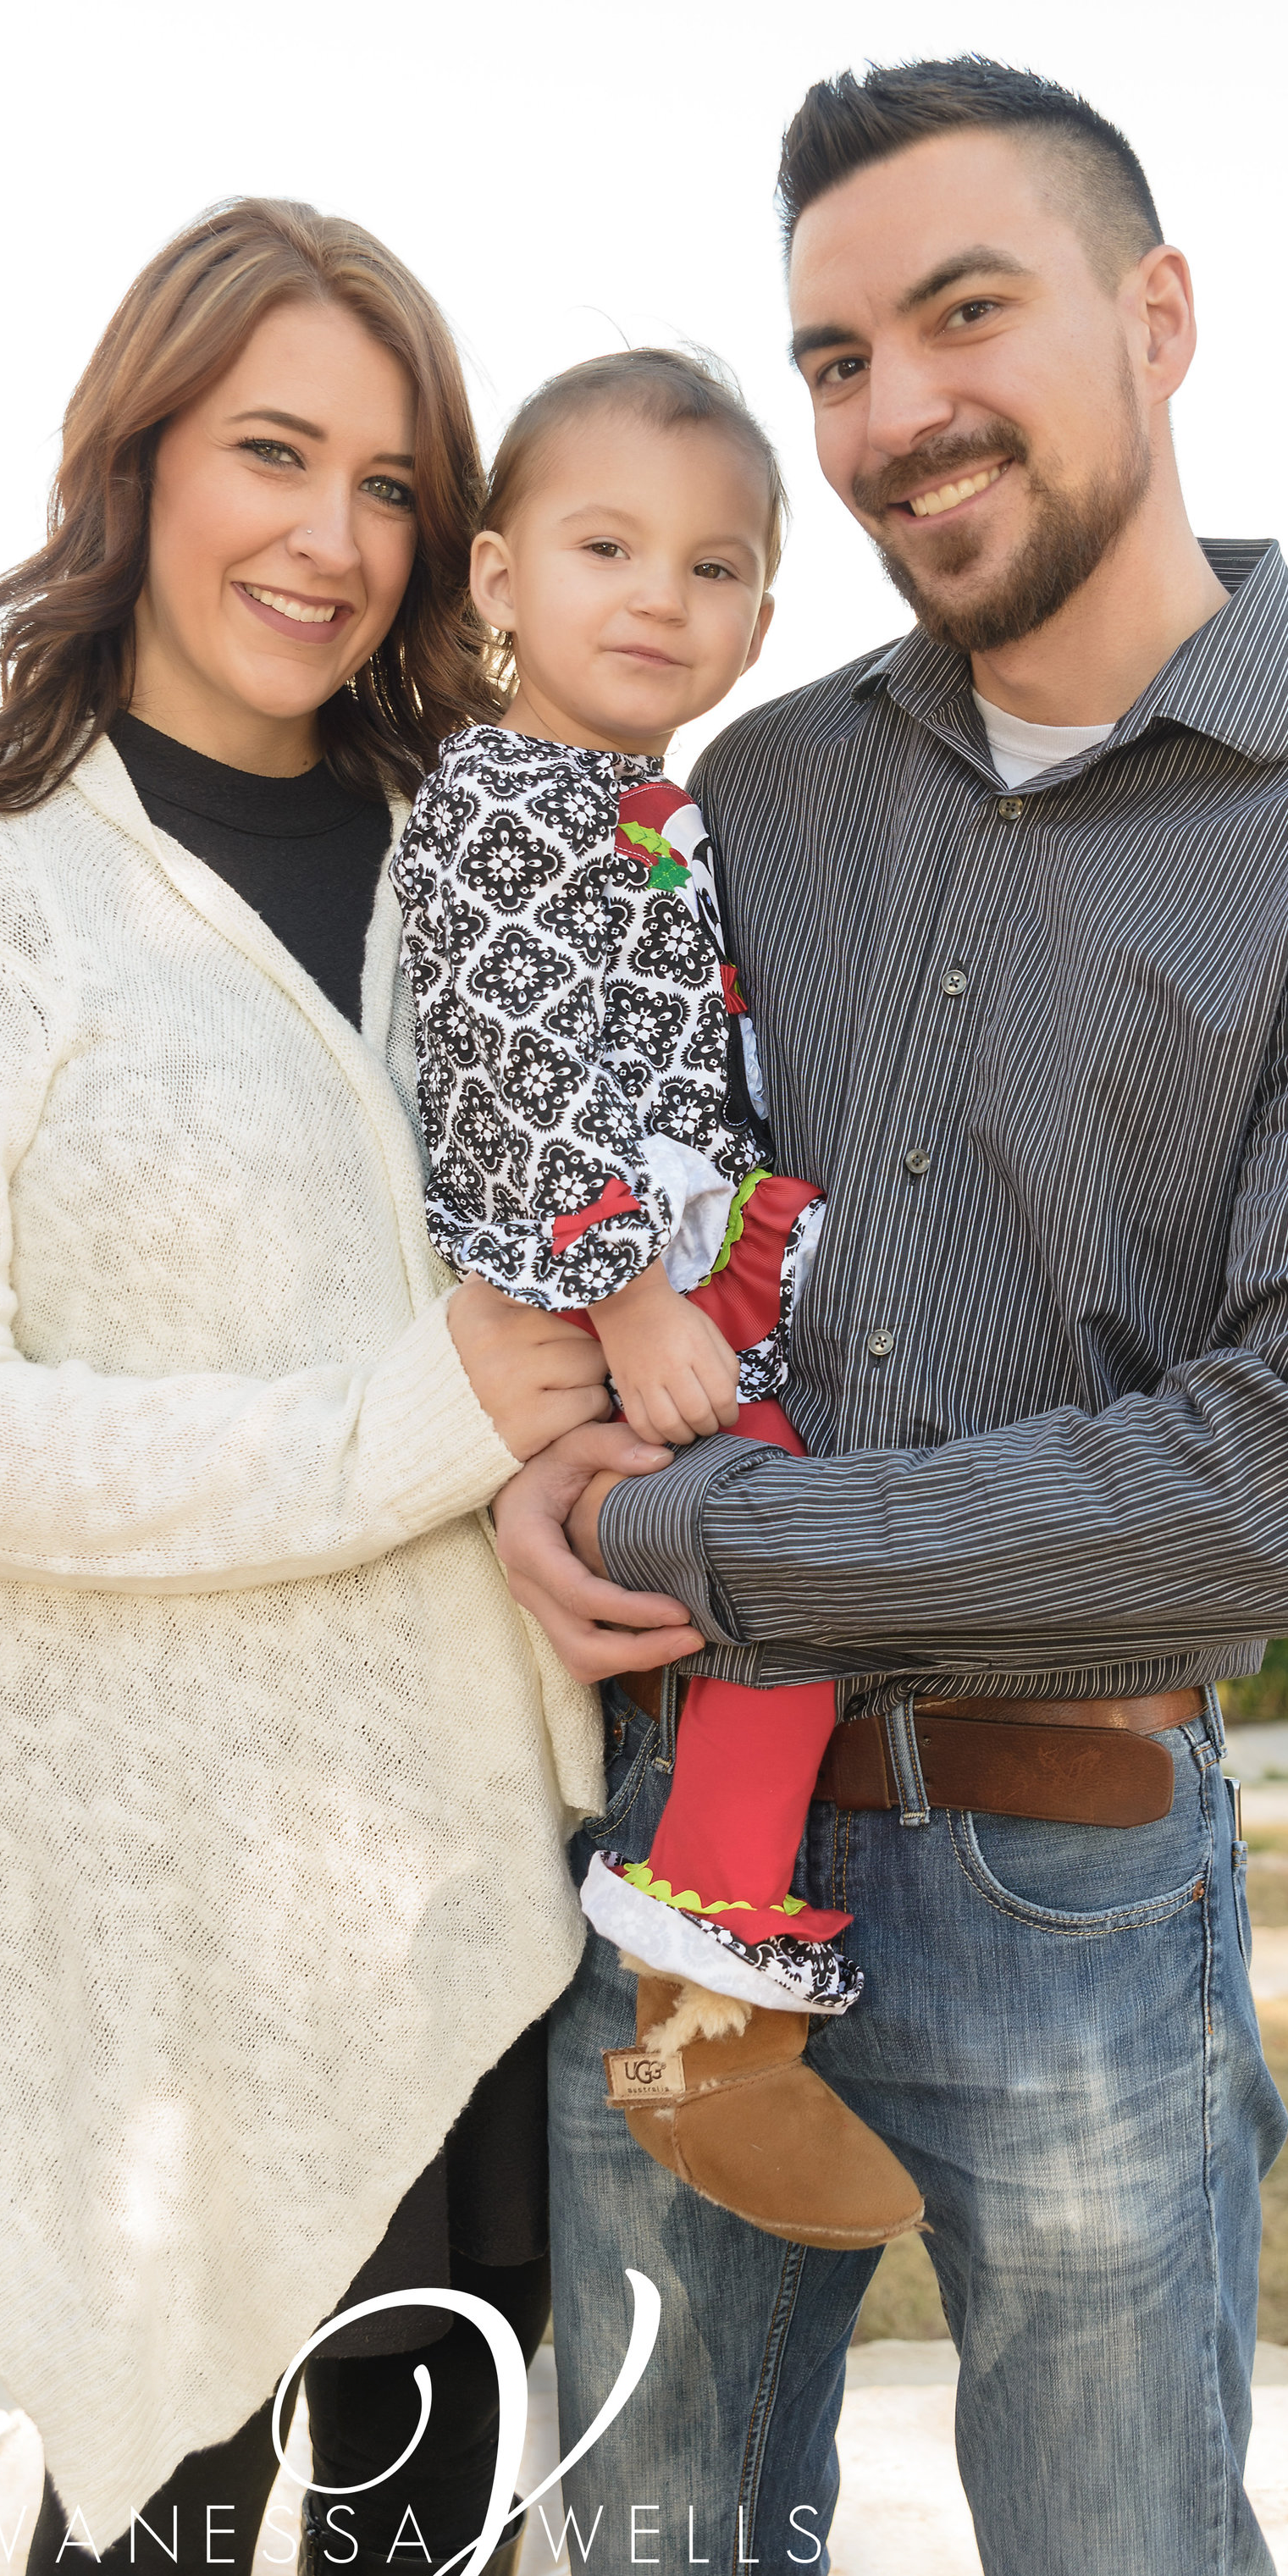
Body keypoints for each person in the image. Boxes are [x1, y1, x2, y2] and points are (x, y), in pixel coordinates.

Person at [494, 59, 1288, 2576]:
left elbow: (1284, 1485)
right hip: (682, 1868)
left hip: (1072, 1870)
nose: (891, 412)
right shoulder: (758, 789)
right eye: (837, 353)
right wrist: (525, 1429)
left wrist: (716, 1530)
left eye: (965, 315)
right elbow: (587, 1179)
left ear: (1156, 314)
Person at [0, 199, 666, 2576]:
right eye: (270, 450)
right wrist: (412, 1423)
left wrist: (588, 1473)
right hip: (135, 1911)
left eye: (390, 482)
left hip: (473, 1882)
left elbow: (591, 1267)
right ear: (137, 454)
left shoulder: (481, 843)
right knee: (142, 2541)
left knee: (431, 2559)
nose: (326, 534)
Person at [390, 347, 923, 2253]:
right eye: (604, 544)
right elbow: (510, 1061)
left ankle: (717, 2013)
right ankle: (700, 2034)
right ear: (493, 576)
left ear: (760, 616)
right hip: (614, 1280)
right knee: (779, 1561)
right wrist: (626, 1295)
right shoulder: (502, 803)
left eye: (711, 569)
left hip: (687, 1263)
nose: (657, 597)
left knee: (772, 1600)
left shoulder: (638, 801)